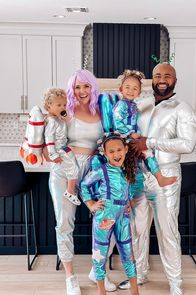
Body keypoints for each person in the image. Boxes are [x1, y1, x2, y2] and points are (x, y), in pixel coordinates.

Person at [119, 63, 196, 295]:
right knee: (137, 229)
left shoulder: (183, 108)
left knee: (167, 230)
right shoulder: (140, 105)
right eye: (157, 75)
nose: (162, 79)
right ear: (151, 79)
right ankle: (139, 275)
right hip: (138, 175)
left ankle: (176, 283)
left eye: (167, 75)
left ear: (175, 79)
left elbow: (187, 144)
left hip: (167, 174)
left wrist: (150, 142)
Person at [47, 70, 115, 295]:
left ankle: (98, 271)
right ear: (71, 89)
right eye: (77, 87)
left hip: (93, 169)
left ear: (93, 87)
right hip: (65, 169)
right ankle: (70, 277)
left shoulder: (101, 110)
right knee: (65, 222)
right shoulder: (64, 109)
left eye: (86, 86)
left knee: (108, 219)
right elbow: (47, 132)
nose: (82, 91)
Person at [80, 132, 140, 295]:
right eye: (111, 152)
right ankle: (101, 291)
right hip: (105, 215)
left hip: (123, 216)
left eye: (119, 150)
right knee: (99, 254)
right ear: (105, 154)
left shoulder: (128, 170)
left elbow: (130, 187)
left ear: (126, 149)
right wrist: (91, 204)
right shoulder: (101, 170)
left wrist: (128, 200)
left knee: (128, 252)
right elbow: (84, 185)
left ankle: (135, 290)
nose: (116, 154)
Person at [113, 69, 176, 187]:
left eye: (135, 88)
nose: (130, 91)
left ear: (139, 92)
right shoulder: (121, 105)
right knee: (145, 152)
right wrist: (130, 133)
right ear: (121, 89)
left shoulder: (134, 105)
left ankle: (154, 178)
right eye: (127, 87)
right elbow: (117, 122)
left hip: (133, 137)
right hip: (122, 137)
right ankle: (158, 177)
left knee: (146, 153)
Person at [43, 88, 81, 206]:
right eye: (58, 105)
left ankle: (71, 190)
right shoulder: (52, 122)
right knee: (73, 168)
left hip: (64, 147)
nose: (62, 107)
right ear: (49, 106)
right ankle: (70, 192)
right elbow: (49, 139)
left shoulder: (58, 119)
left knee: (75, 165)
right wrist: (53, 154)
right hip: (59, 150)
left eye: (64, 104)